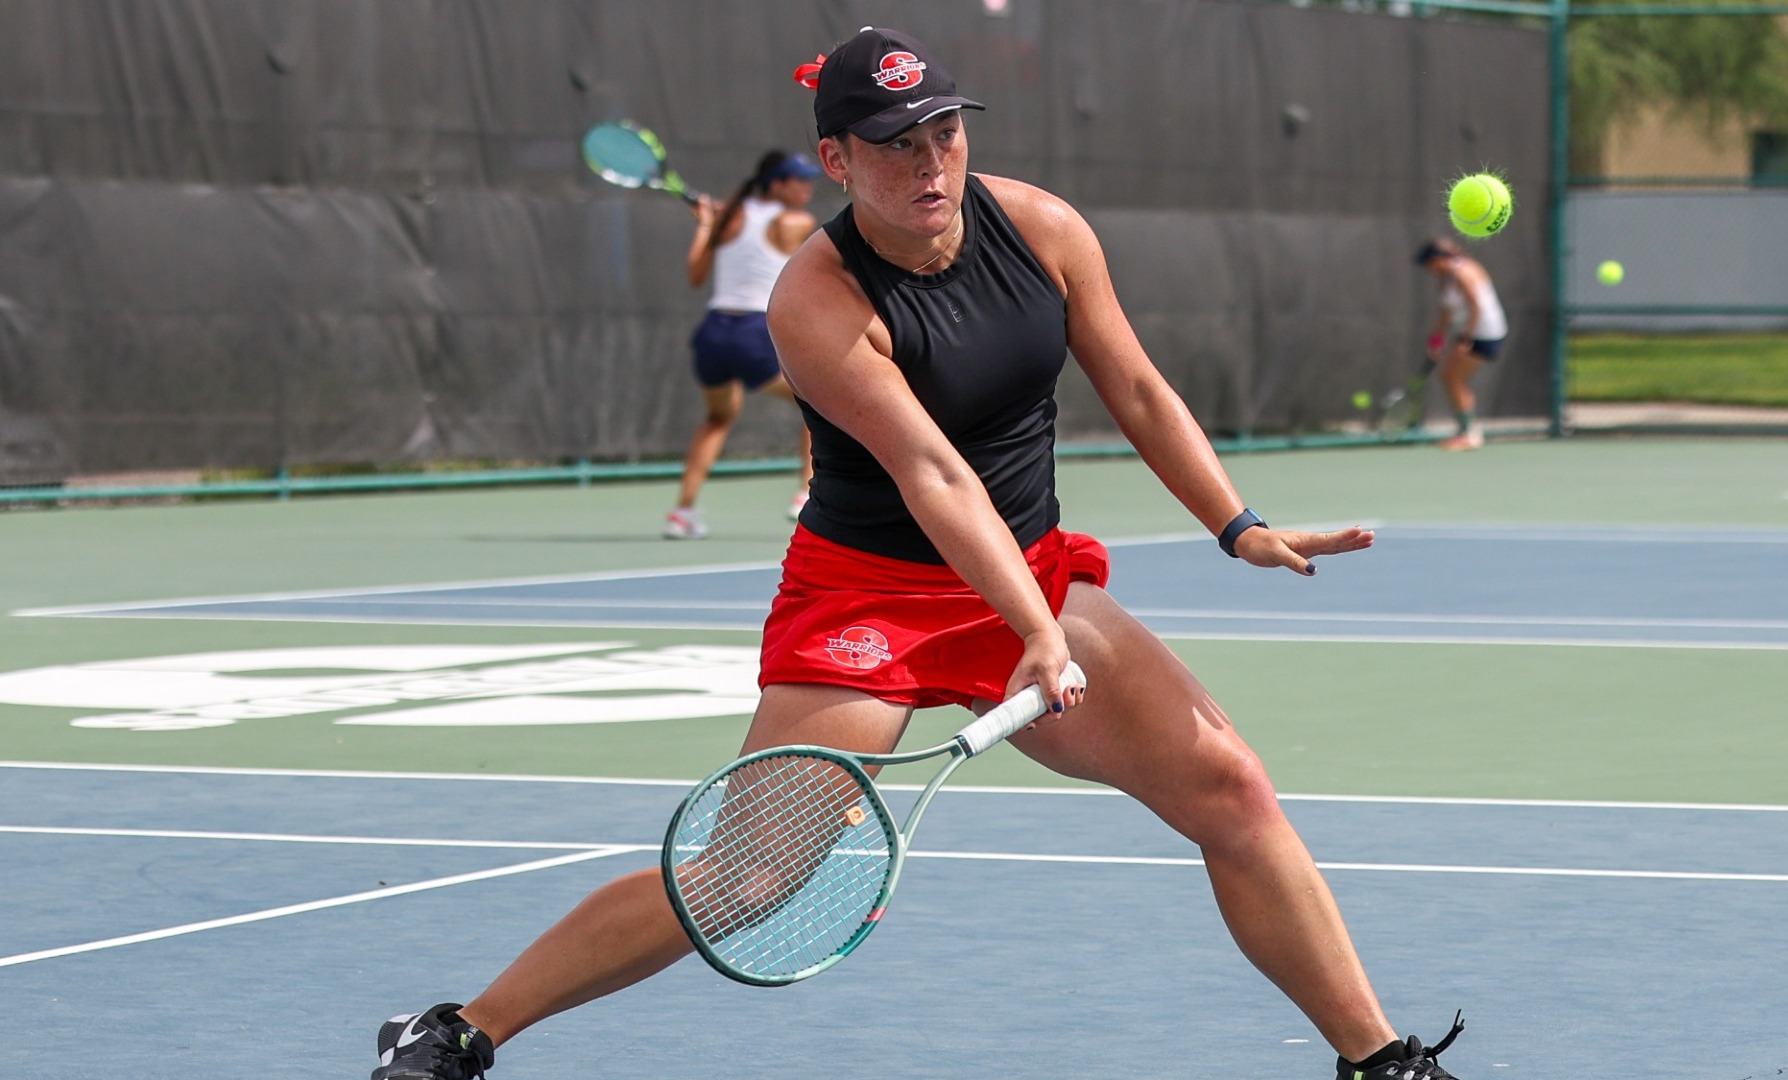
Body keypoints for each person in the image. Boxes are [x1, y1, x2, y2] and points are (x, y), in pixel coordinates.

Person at [370, 27, 1467, 1080]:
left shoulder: (1043, 229)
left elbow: (1134, 385)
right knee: (752, 875)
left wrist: (1236, 524)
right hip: (870, 596)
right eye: (896, 144)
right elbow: (935, 476)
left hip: (1026, 569)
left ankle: (1378, 1060)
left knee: (1232, 789)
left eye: (944, 131)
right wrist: (1039, 634)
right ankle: (457, 1034)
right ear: (839, 161)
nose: (929, 162)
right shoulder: (818, 299)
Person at [663, 150, 821, 539]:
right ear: (776, 184)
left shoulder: (727, 217)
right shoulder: (797, 221)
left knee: (717, 418)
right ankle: (806, 493)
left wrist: (706, 225)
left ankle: (682, 512)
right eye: (798, 180)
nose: (807, 188)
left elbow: (696, 275)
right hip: (754, 333)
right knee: (818, 401)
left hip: (714, 335)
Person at [1417, 237, 1508, 451]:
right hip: (1472, 332)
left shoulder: (1462, 273)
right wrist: (1436, 340)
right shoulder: (1448, 276)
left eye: (1429, 263)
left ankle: (1469, 434)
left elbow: (1476, 306)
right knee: (1451, 378)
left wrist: (1466, 339)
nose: (1428, 269)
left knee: (1453, 378)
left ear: (1439, 259)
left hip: (1483, 334)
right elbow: (1446, 312)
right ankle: (1466, 430)